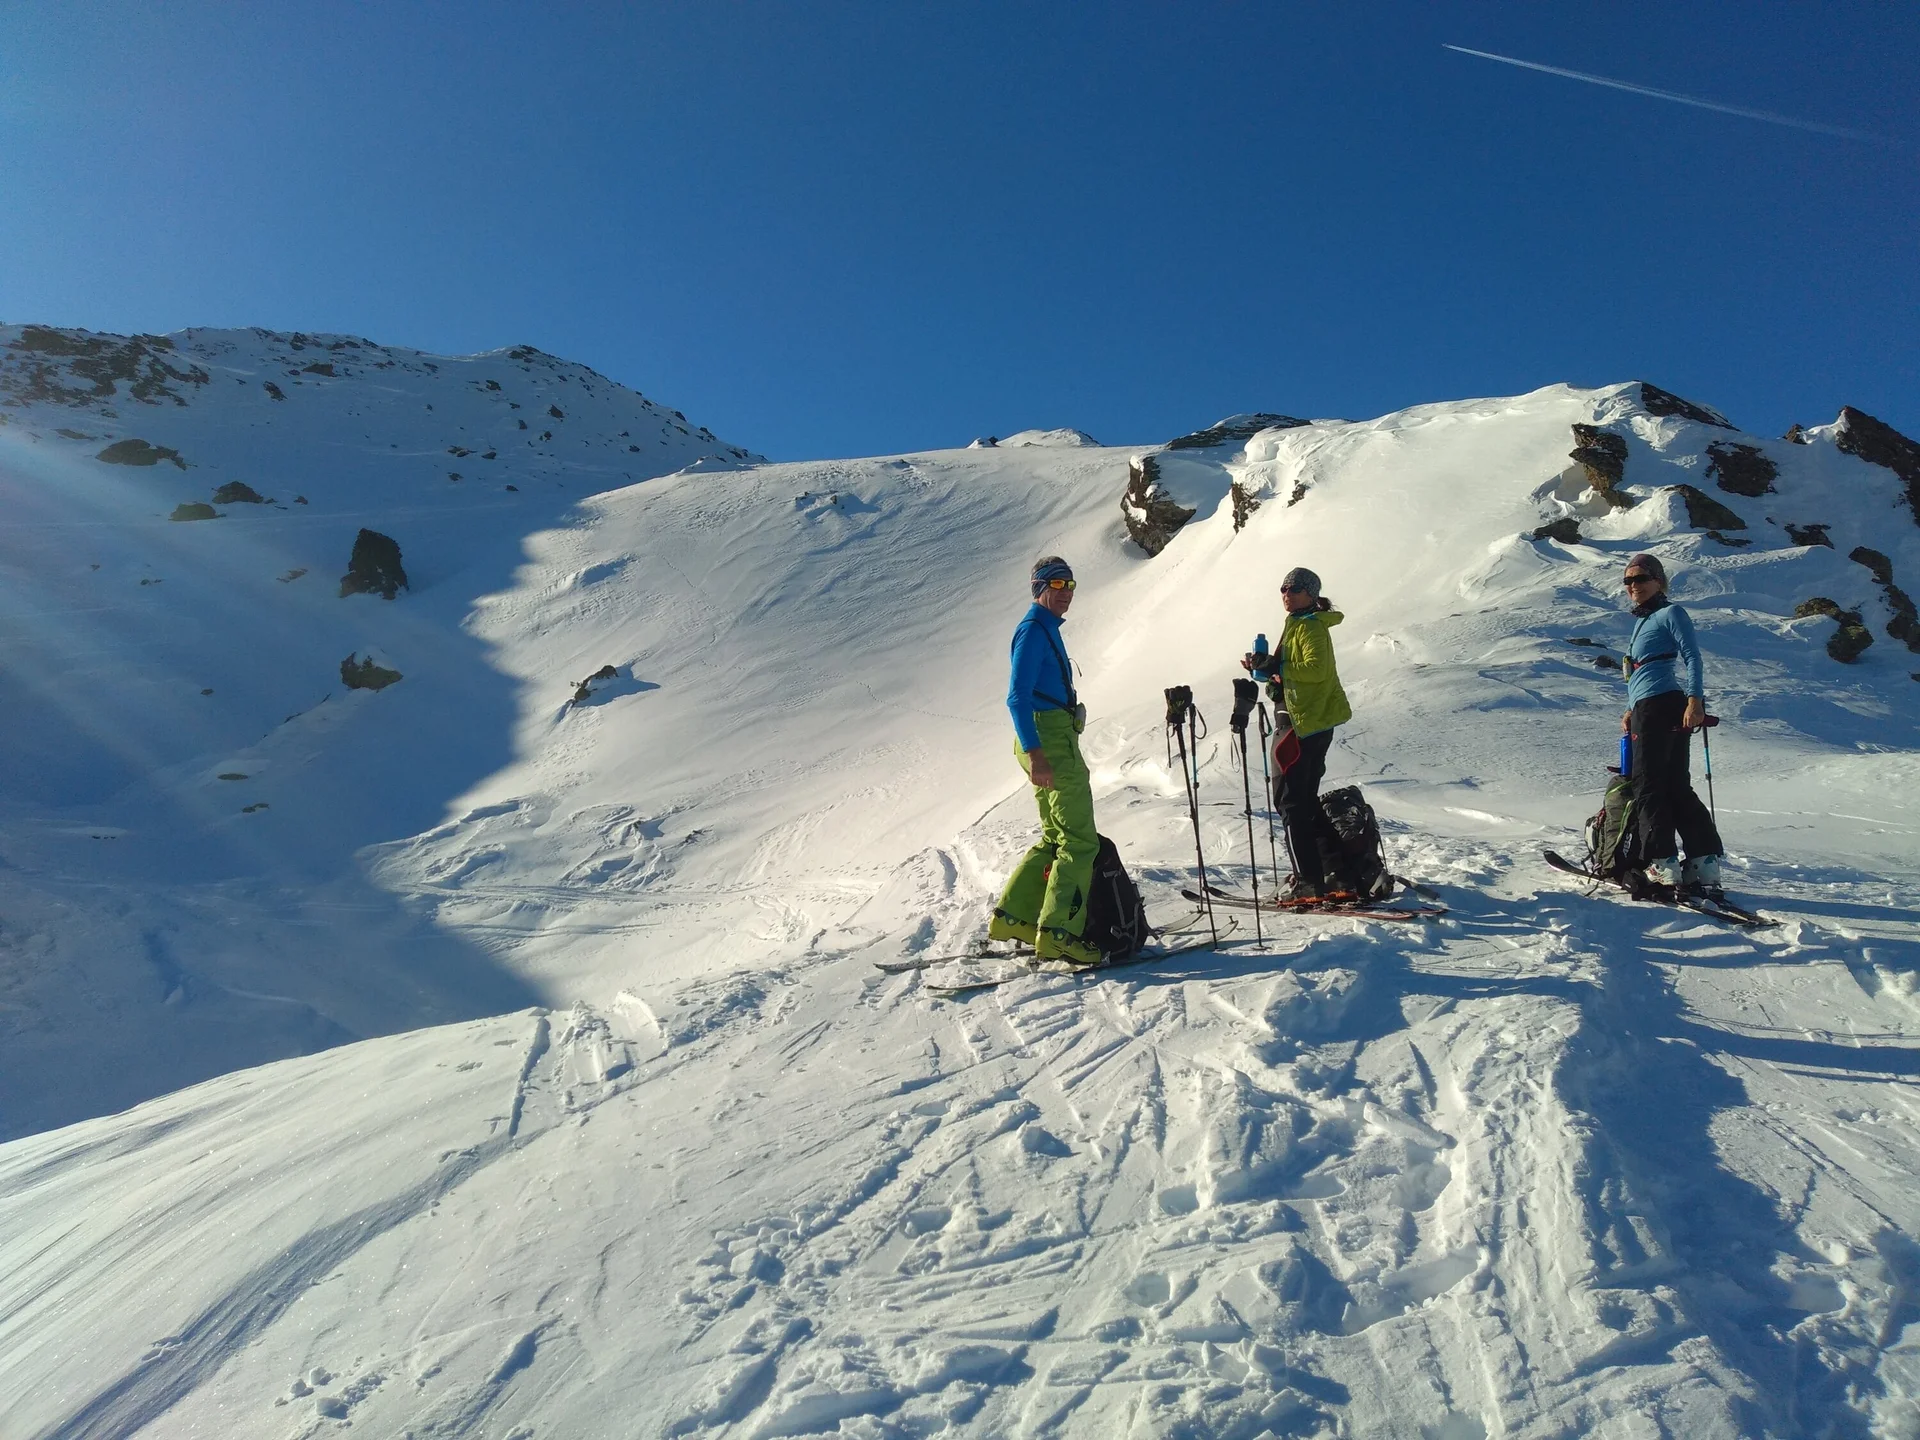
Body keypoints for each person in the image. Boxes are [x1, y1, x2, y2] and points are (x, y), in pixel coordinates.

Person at [989, 556, 1103, 967]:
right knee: (1079, 841)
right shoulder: (1034, 631)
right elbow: (1016, 696)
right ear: (1040, 587)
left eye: (1071, 584)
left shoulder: (1043, 629)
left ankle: (1015, 919)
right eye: (1058, 584)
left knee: (1056, 836)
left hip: (1048, 736)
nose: (1067, 592)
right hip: (1048, 740)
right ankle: (1059, 933)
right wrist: (1037, 753)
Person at [1242, 566, 1352, 899]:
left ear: (1310, 594)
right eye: (1283, 588)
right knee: (1303, 801)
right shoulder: (1299, 624)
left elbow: (1316, 670)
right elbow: (1290, 672)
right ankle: (1338, 876)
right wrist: (1265, 666)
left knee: (1290, 802)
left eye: (1293, 588)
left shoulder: (1312, 627)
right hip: (1308, 722)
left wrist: (1278, 667)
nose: (1285, 594)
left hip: (1302, 725)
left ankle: (1309, 882)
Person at [1619, 553, 1723, 891]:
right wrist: (1631, 708)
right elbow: (1641, 672)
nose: (1633, 586)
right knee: (1675, 784)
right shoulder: (1642, 622)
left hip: (1661, 705)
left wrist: (1695, 699)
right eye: (1628, 580)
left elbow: (1691, 655)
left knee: (1647, 783)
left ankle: (1662, 863)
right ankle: (1702, 863)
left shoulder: (1670, 613)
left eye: (1640, 579)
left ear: (1659, 581)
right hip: (1652, 705)